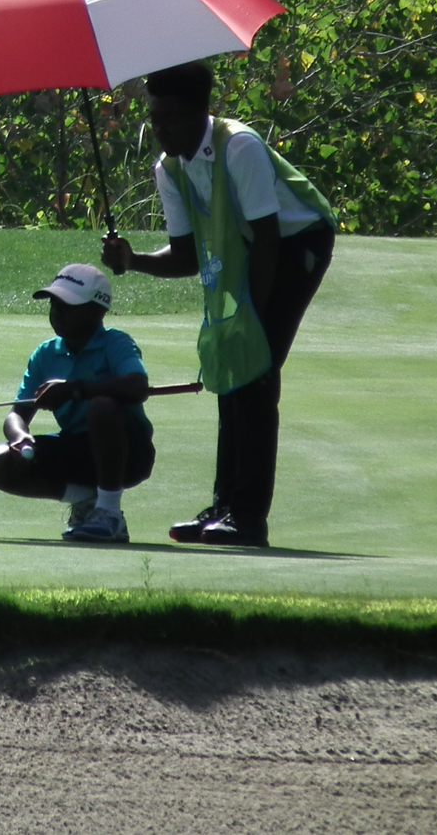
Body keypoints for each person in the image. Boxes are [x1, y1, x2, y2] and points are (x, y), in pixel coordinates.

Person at [101, 61, 335, 548]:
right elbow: (185, 254)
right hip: (255, 249)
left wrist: (250, 321)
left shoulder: (240, 147)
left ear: (200, 112)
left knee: (254, 371)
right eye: (155, 118)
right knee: (231, 369)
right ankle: (225, 506)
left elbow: (269, 240)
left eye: (169, 118)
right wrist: (134, 260)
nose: (159, 128)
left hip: (297, 245)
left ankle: (248, 519)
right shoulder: (169, 168)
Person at [0, 264, 156, 543]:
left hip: (129, 455)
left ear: (96, 310)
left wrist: (75, 390)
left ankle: (109, 512)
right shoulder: (45, 353)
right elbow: (17, 414)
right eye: (54, 303)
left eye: (67, 305)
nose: (56, 311)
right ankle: (88, 500)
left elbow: (138, 386)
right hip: (76, 451)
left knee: (103, 406)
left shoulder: (116, 343)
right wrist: (20, 437)